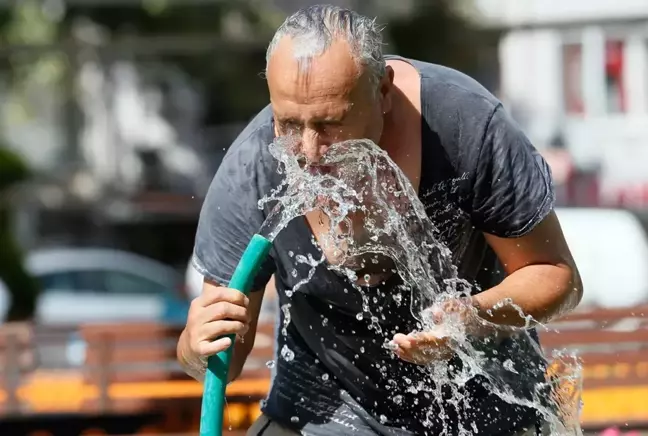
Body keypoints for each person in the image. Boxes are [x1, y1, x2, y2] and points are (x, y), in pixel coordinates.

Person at [177, 5, 583, 435]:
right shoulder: (253, 171)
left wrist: (471, 318)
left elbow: (557, 278)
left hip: (483, 406)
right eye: (290, 124)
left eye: (331, 124)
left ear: (384, 91)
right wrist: (194, 346)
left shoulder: (464, 128)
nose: (310, 152)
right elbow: (221, 365)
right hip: (322, 410)